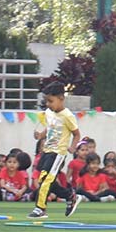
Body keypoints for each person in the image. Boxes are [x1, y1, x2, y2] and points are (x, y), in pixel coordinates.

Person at [29, 91, 85, 220]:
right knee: (44, 180)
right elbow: (49, 128)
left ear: (61, 98)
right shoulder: (49, 112)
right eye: (46, 101)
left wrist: (72, 147)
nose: (48, 104)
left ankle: (40, 209)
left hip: (58, 153)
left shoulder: (67, 116)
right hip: (46, 151)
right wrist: (40, 135)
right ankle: (70, 196)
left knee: (46, 180)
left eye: (51, 101)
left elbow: (76, 134)